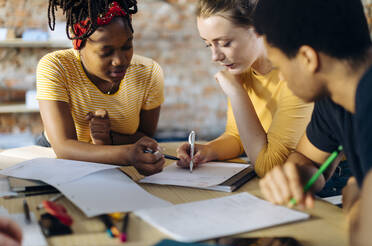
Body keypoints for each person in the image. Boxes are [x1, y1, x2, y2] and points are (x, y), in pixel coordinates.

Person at [253, 0, 372, 212]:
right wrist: (295, 175)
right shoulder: (334, 98)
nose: (281, 76)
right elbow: (309, 159)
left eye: (279, 66)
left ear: (307, 58)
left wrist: (355, 200)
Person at [176, 0, 313, 177]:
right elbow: (238, 136)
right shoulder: (243, 69)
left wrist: (236, 92)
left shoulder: (296, 74)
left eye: (225, 43)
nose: (215, 57)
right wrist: (208, 150)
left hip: (327, 183)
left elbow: (271, 167)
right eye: (208, 44)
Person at [36, 0, 165, 176]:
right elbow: (64, 147)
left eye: (127, 46)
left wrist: (107, 138)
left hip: (115, 160)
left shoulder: (148, 72)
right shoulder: (56, 66)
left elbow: (145, 137)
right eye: (106, 52)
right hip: (55, 159)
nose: (120, 60)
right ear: (78, 42)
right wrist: (127, 153)